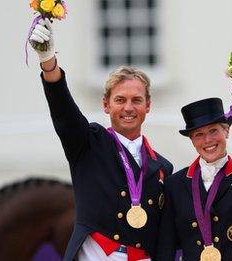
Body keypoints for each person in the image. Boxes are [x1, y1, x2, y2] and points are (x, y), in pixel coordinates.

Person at [29, 18, 173, 261]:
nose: (128, 107)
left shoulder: (162, 167)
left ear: (148, 105)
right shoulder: (88, 143)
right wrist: (48, 63)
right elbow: (64, 111)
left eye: (136, 100)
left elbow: (165, 236)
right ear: (106, 105)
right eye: (120, 100)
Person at [157, 71, 232, 260]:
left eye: (213, 131)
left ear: (227, 131)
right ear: (192, 140)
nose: (208, 140)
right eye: (198, 135)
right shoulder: (175, 184)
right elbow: (166, 244)